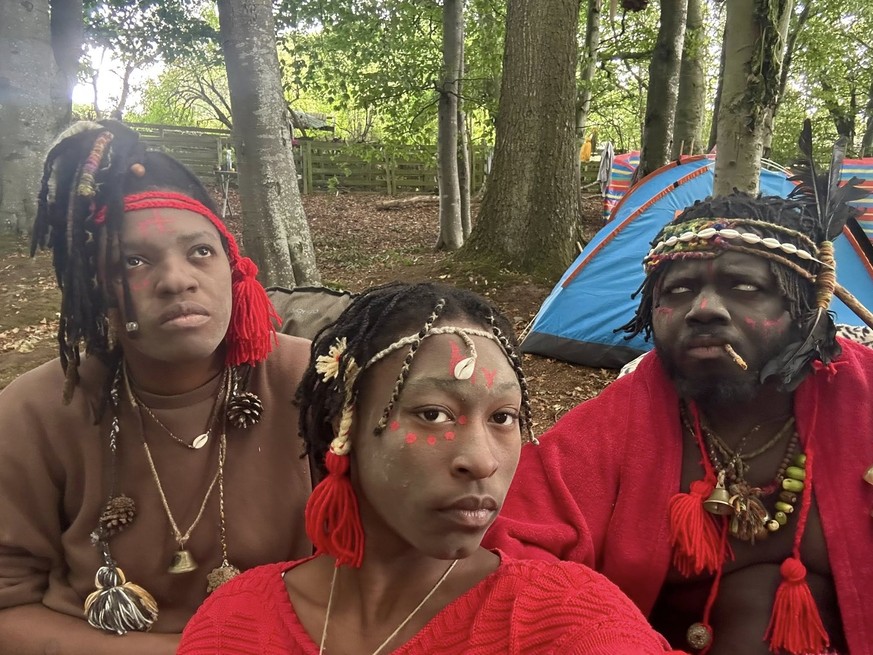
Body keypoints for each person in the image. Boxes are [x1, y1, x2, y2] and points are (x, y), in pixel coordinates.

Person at [178, 282, 683, 654]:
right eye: (434, 414)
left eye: (503, 418)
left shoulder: (568, 623)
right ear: (343, 424)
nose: (481, 460)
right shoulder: (235, 623)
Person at [485, 189, 873, 655]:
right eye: (678, 291)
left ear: (805, 308)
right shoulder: (617, 422)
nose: (704, 308)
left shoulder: (863, 395)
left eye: (744, 286)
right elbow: (512, 546)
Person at [0, 121, 313, 654]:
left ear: (235, 267)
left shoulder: (314, 383)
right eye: (134, 261)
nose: (176, 280)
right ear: (98, 287)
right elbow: (8, 608)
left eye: (200, 252)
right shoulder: (33, 412)